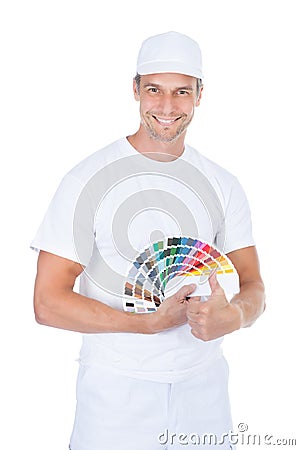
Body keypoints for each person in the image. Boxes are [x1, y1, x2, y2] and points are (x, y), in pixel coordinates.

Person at [31, 31, 265, 450]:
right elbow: (47, 303)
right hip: (116, 400)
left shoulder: (223, 184)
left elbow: (254, 288)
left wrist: (236, 316)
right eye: (154, 89)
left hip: (205, 398)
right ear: (135, 89)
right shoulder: (87, 180)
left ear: (199, 95)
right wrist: (147, 325)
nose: (167, 107)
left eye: (182, 92)